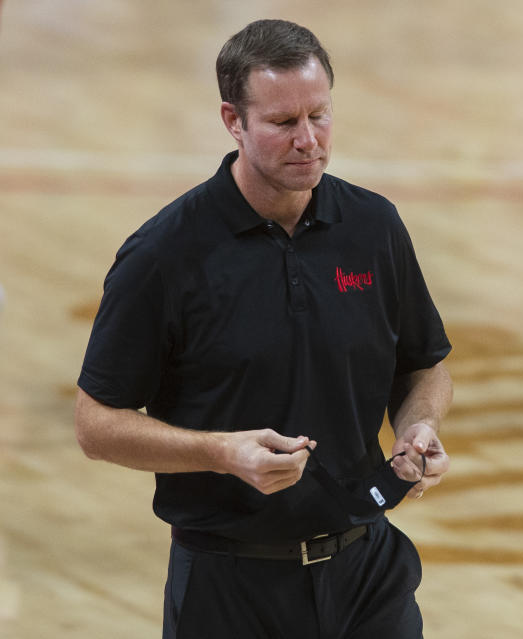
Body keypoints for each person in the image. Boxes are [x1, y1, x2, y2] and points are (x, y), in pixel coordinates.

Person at [74, 19, 452, 639]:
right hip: (230, 588)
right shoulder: (164, 256)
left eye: (320, 116)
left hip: (368, 571)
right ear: (233, 121)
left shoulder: (374, 227)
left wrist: (420, 423)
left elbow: (425, 364)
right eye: (282, 123)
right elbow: (96, 426)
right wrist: (221, 454)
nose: (308, 140)